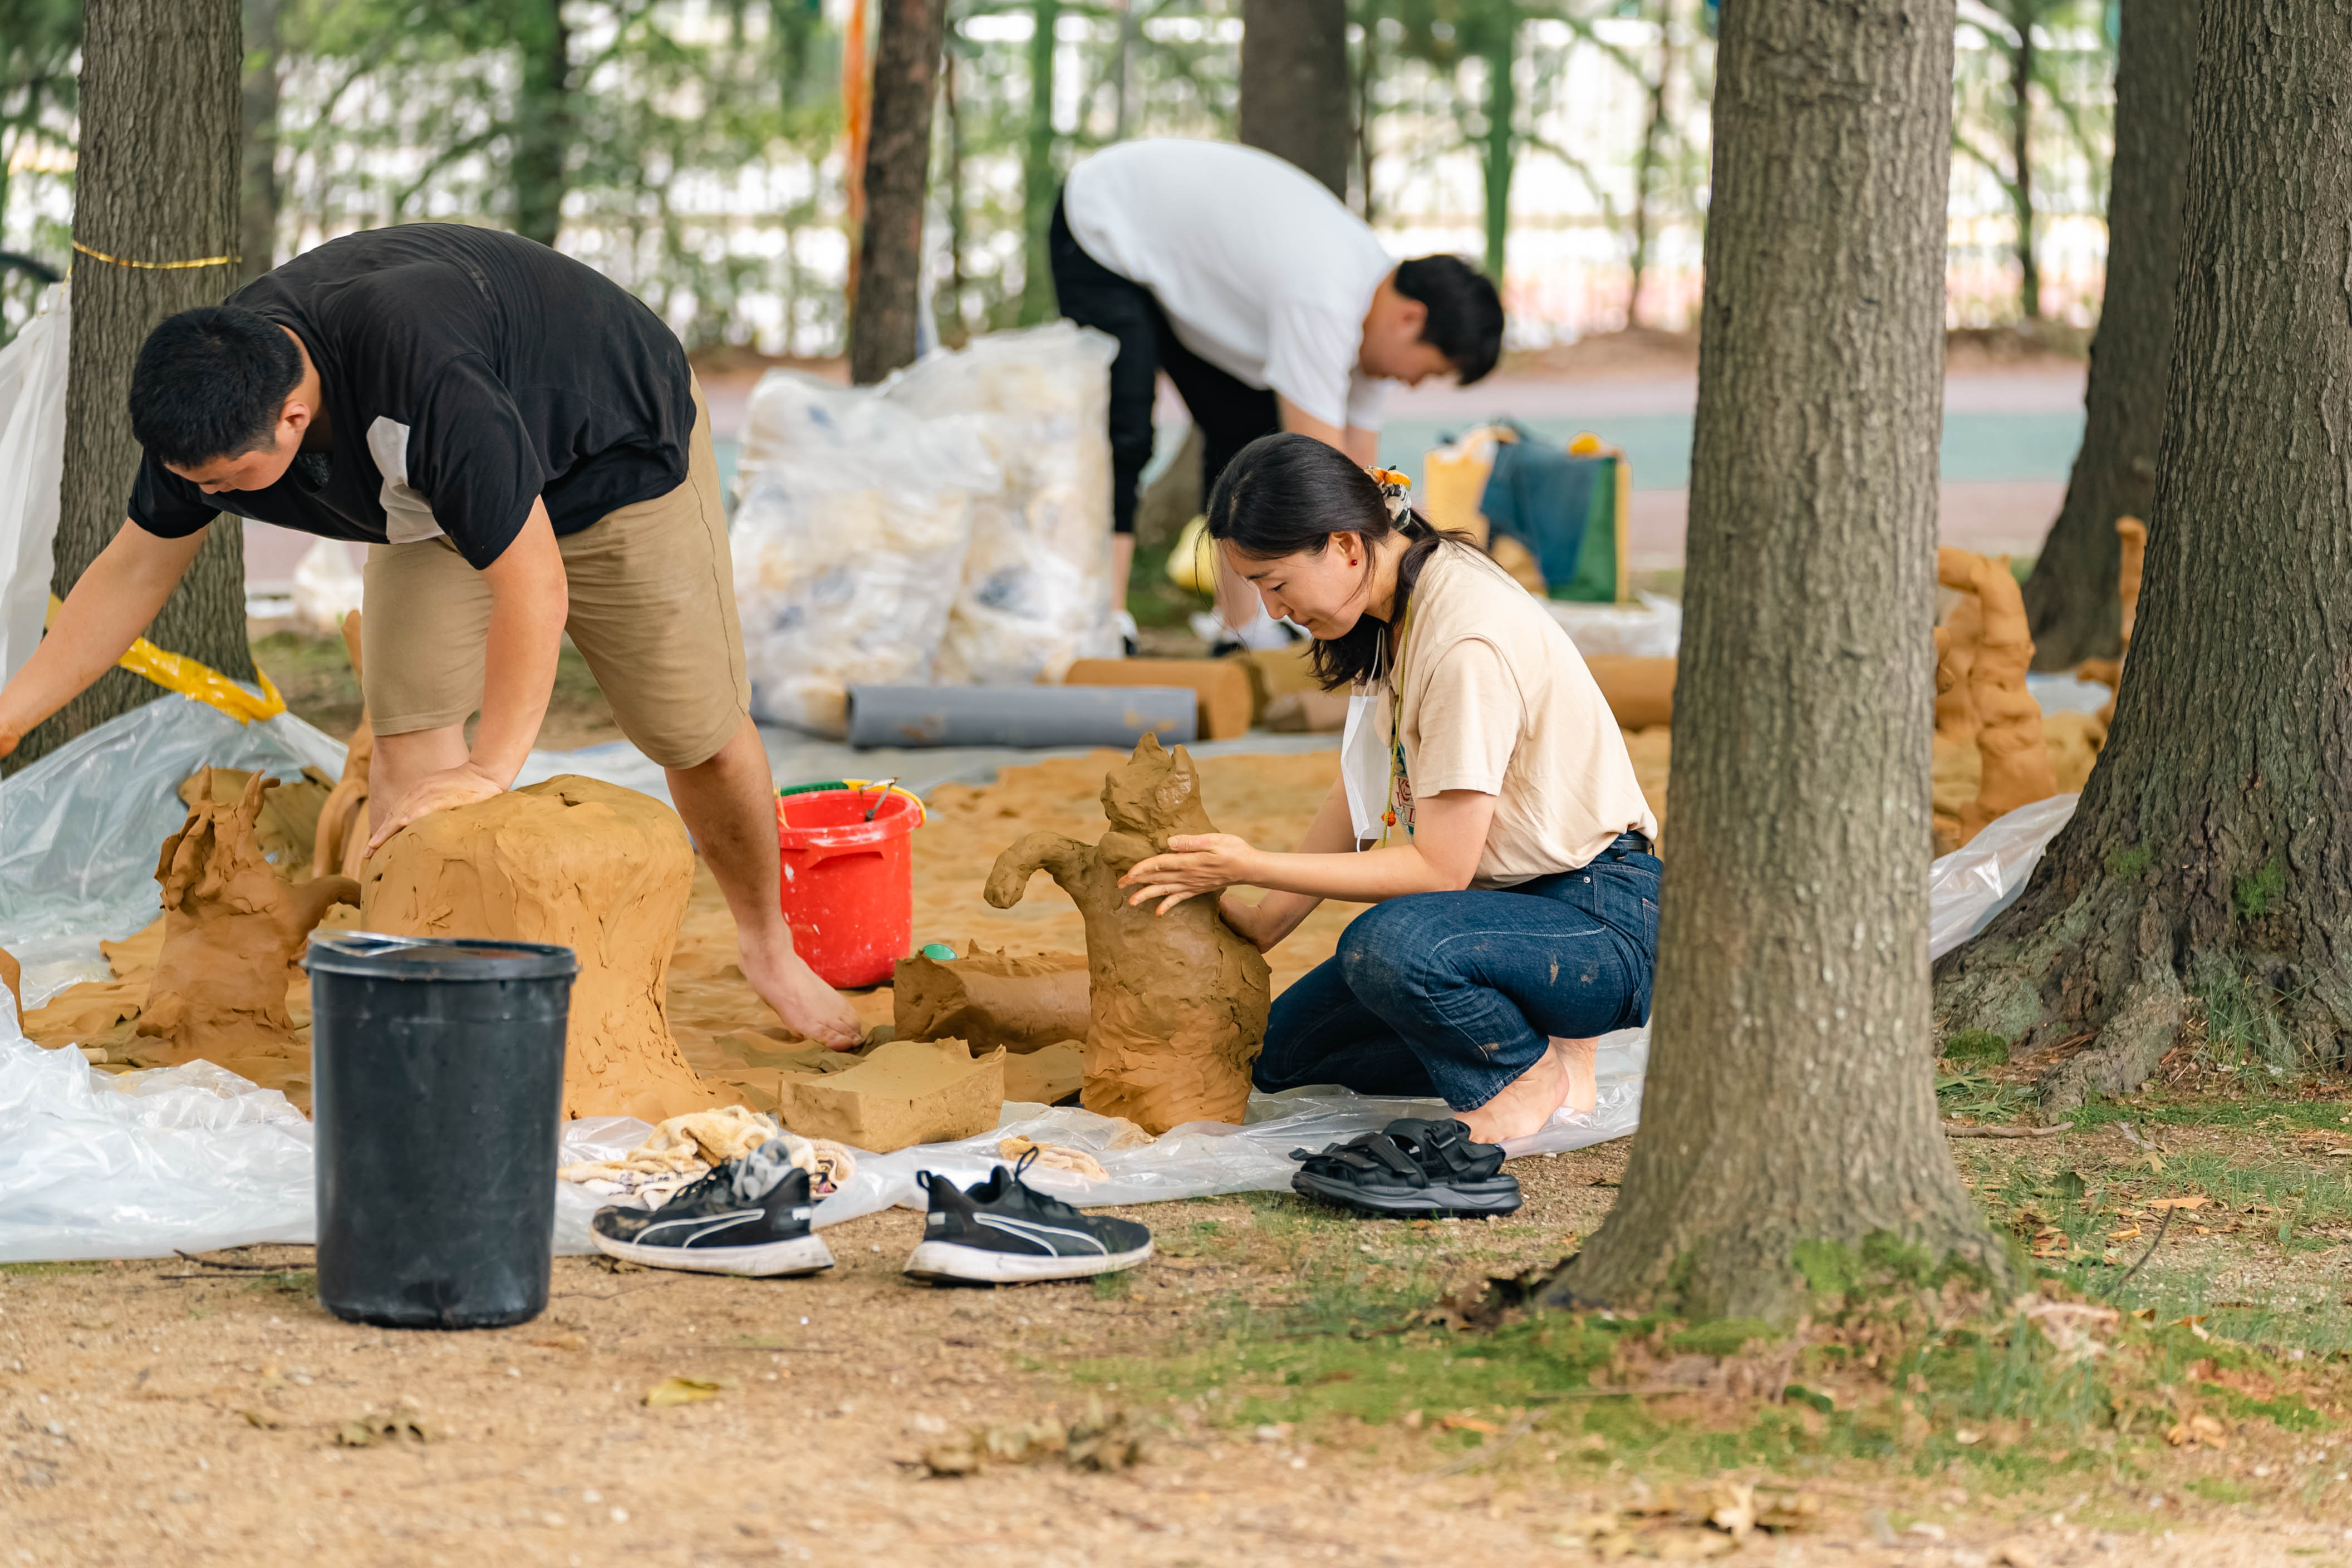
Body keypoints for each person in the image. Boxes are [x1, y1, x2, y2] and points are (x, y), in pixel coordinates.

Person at [0, 223, 863, 1049]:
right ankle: (412, 996)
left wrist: (491, 771)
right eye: (195, 481)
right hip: (425, 502)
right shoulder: (212, 410)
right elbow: (133, 570)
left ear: (294, 422)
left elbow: (534, 584)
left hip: (613, 458)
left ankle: (767, 943)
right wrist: (12, 713)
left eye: (227, 483)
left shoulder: (422, 379)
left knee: (694, 733)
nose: (208, 497)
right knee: (413, 760)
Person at [1118, 434, 1659, 1144]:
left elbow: (1440, 868)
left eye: (1275, 583)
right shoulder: (1392, 603)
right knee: (1285, 1056)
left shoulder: (1463, 641)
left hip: (1593, 914)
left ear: (1345, 545)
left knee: (1388, 947)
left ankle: (1527, 1072)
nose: (1274, 610)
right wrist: (1265, 919)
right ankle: (1542, 1037)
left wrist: (1247, 863)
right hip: (1504, 910)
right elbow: (1362, 783)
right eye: (1257, 589)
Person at [1049, 137, 1505, 645]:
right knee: (1126, 430)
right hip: (1105, 222)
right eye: (1430, 370)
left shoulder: (1375, 319)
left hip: (1187, 264)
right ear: (1410, 319)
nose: (1416, 385)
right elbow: (1321, 482)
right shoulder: (1325, 296)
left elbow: (1362, 482)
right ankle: (1106, 622)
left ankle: (1238, 631)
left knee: (1245, 438)